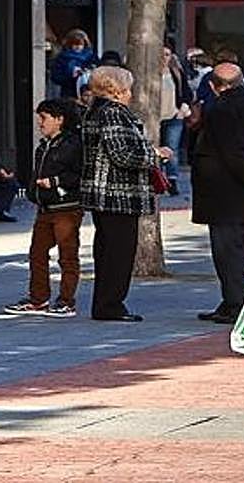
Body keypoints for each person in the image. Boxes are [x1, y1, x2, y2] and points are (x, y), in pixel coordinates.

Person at [81, 66, 172, 322]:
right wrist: (156, 154)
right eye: (128, 88)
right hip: (117, 192)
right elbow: (121, 154)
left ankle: (105, 303)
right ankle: (110, 305)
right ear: (117, 90)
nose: (131, 94)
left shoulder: (95, 111)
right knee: (119, 252)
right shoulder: (112, 113)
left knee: (107, 249)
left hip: (103, 192)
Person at [190, 63, 244, 324]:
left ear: (213, 86)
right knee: (243, 250)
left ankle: (238, 304)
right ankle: (232, 301)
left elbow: (231, 154)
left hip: (227, 196)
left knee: (229, 253)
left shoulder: (221, 110)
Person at [6, 99, 84, 317]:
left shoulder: (72, 144)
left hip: (66, 206)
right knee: (37, 253)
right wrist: (35, 192)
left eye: (44, 118)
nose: (40, 123)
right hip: (45, 207)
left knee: (67, 255)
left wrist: (56, 182)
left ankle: (66, 300)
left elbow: (79, 175)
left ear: (59, 120)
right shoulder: (44, 145)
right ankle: (38, 298)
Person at [158, 45, 191, 194]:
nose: (165, 57)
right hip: (156, 117)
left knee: (172, 149)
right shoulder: (150, 74)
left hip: (173, 116)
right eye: (162, 54)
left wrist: (183, 107)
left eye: (167, 54)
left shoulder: (176, 72)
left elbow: (186, 92)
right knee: (156, 149)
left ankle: (172, 181)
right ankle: (157, 180)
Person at [49, 29, 99, 100]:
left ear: (85, 44)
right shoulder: (62, 58)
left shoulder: (91, 57)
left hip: (87, 93)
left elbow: (98, 72)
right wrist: (70, 75)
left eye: (80, 44)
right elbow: (55, 77)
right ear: (69, 44)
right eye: (75, 44)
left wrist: (87, 71)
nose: (78, 47)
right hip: (68, 94)